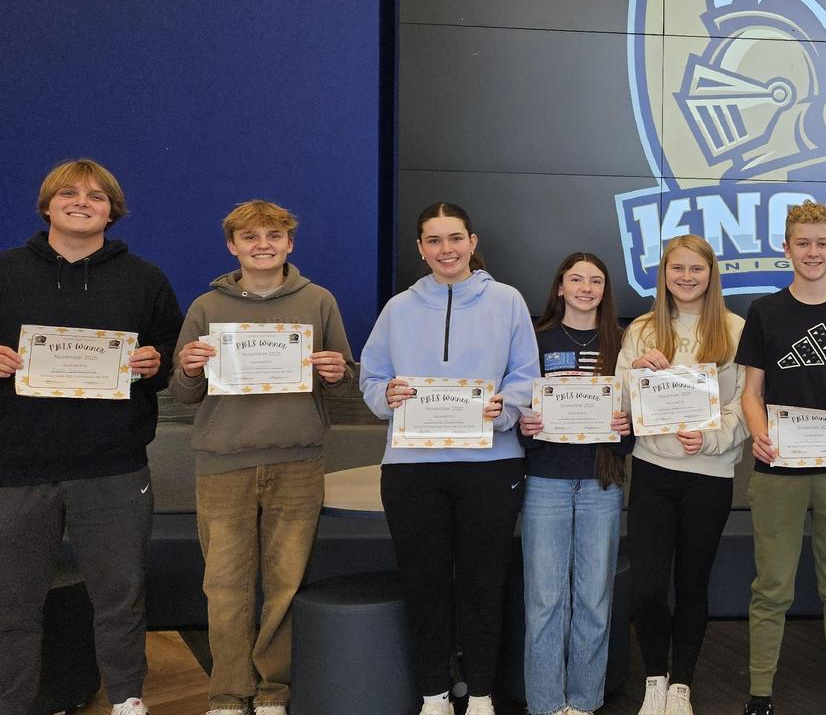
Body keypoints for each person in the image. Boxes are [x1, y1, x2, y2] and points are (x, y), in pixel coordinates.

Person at [0, 158, 182, 715]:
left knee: (120, 599)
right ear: (47, 204)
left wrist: (157, 362)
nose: (83, 202)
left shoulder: (145, 278)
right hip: (15, 469)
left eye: (97, 196)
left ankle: (128, 701)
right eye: (70, 193)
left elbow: (173, 358)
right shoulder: (4, 272)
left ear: (113, 210)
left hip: (113, 469)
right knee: (12, 605)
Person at [168, 200, 359, 715]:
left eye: (273, 236)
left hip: (298, 461)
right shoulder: (206, 308)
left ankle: (275, 690)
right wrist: (187, 369)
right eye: (250, 237)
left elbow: (345, 389)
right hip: (223, 463)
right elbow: (184, 394)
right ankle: (228, 694)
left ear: (289, 244)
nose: (263, 245)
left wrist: (339, 372)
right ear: (233, 247)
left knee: (285, 583)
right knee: (225, 585)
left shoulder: (319, 301)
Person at [360, 202, 538, 715]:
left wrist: (509, 406)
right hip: (412, 468)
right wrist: (384, 395)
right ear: (420, 248)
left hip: (491, 463)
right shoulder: (398, 308)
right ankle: (434, 692)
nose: (446, 250)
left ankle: (481, 692)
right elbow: (371, 377)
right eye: (434, 241)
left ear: (473, 241)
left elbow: (526, 374)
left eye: (455, 238)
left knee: (485, 582)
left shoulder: (506, 302)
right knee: (424, 582)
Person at [735, 202, 826, 715]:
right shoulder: (764, 311)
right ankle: (760, 696)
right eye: (803, 243)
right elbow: (750, 393)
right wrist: (759, 435)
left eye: (822, 243)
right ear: (787, 248)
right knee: (771, 587)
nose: (813, 252)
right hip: (778, 468)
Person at [620, 234, 747, 715]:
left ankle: (681, 686)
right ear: (664, 274)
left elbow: (742, 404)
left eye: (697, 269)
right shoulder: (644, 329)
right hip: (653, 470)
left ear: (711, 274)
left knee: (693, 583)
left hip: (709, 475)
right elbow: (620, 400)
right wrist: (636, 371)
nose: (687, 278)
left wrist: (710, 440)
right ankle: (656, 677)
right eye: (678, 269)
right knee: (649, 586)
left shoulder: (734, 329)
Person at [515, 252, 632, 715]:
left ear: (605, 290)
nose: (586, 287)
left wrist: (628, 424)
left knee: (593, 599)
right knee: (544, 600)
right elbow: (515, 401)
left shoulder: (622, 343)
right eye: (576, 279)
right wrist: (522, 424)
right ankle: (545, 704)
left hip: (602, 482)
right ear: (559, 287)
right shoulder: (533, 339)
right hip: (545, 479)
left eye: (596, 280)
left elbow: (638, 418)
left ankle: (584, 702)